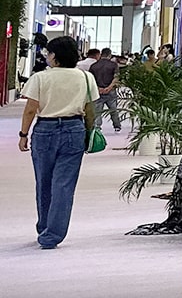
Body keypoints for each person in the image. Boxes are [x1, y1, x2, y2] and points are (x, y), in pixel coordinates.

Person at [17, 35, 100, 249]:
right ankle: (52, 234)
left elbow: (30, 109)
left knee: (44, 182)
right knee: (64, 184)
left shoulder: (40, 78)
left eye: (48, 53)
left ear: (54, 55)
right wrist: (89, 133)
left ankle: (44, 226)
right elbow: (90, 110)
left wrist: (23, 134)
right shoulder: (85, 77)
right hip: (74, 129)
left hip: (45, 130)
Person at [88, 46, 123, 132]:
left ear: (101, 54)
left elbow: (91, 79)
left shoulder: (94, 66)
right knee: (113, 110)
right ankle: (117, 126)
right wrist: (109, 87)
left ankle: (97, 127)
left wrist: (98, 88)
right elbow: (116, 77)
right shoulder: (114, 65)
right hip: (111, 91)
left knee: (97, 111)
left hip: (98, 92)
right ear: (109, 55)